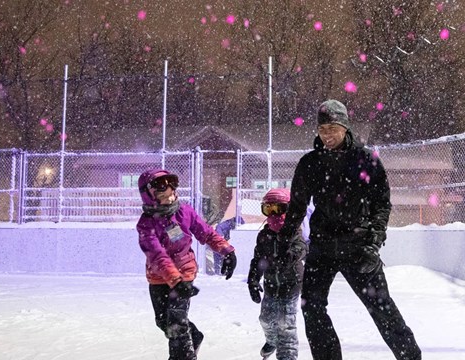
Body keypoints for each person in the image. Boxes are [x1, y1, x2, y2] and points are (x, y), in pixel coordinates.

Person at [278, 100, 422, 360]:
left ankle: (411, 356)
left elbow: (382, 204)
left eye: (333, 128)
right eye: (322, 129)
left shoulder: (366, 159)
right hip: (322, 248)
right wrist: (284, 242)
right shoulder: (310, 163)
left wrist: (373, 243)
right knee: (312, 307)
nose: (327, 135)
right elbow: (297, 207)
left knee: (381, 307)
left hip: (358, 247)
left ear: (345, 127)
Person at [136, 169, 237, 360]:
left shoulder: (185, 212)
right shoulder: (146, 224)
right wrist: (173, 279)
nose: (170, 196)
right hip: (159, 277)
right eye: (163, 194)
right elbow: (157, 255)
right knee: (163, 321)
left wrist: (227, 250)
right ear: (149, 196)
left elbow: (206, 233)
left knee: (176, 323)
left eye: (172, 192)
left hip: (185, 272)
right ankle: (194, 335)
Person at [248, 188, 306, 360]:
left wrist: (287, 256)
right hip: (271, 285)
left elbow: (302, 248)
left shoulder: (294, 232)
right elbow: (258, 259)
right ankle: (272, 340)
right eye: (268, 209)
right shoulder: (264, 235)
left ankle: (287, 355)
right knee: (266, 319)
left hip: (291, 285)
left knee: (285, 326)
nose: (273, 214)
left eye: (278, 209)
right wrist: (252, 279)